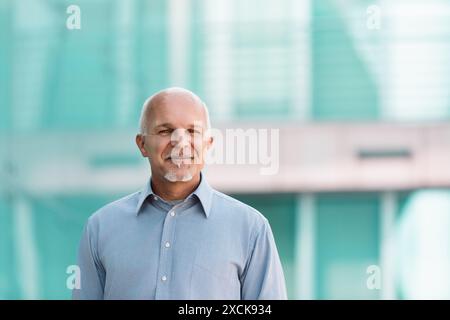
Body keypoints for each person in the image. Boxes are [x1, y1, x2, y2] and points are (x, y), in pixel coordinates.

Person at [73, 87, 287, 299]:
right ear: (142, 144)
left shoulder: (251, 229)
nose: (180, 143)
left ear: (208, 144)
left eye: (192, 131)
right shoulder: (100, 228)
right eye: (165, 131)